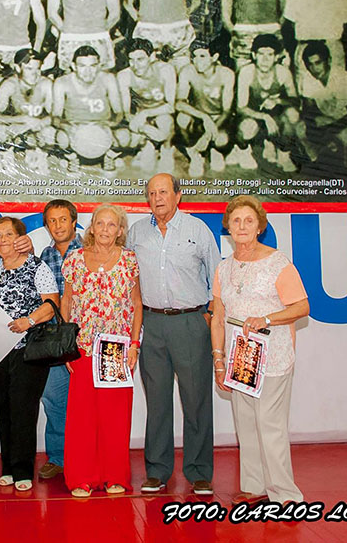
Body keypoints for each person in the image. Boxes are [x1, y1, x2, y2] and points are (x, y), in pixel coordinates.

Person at [211, 195, 309, 504]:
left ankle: (286, 496)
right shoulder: (224, 269)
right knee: (247, 423)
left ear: (260, 227)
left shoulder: (277, 262)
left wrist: (266, 318)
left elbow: (302, 306)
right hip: (241, 356)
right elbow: (218, 317)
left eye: (248, 221)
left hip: (273, 355)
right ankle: (254, 487)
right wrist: (218, 359)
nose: (241, 226)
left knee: (271, 426)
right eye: (236, 221)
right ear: (228, 226)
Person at [128, 173, 219, 496]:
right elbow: (124, 273)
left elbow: (216, 277)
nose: (158, 198)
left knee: (196, 400)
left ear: (178, 195)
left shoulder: (198, 231)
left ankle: (199, 472)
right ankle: (157, 470)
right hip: (151, 324)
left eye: (164, 191)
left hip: (190, 323)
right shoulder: (136, 232)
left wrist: (209, 317)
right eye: (152, 193)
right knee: (157, 401)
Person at [61, 204, 142, 497]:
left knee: (115, 416)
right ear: (91, 227)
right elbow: (66, 302)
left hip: (116, 349)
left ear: (120, 231)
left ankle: (114, 476)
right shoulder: (74, 260)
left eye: (112, 225)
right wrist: (68, 348)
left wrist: (134, 344)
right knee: (82, 417)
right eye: (100, 224)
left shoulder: (129, 261)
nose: (105, 229)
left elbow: (136, 305)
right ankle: (82, 477)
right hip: (82, 348)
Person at [0, 216, 61, 492]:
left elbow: (52, 305)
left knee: (23, 411)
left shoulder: (37, 267)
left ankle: (23, 469)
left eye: (8, 234)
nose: (3, 240)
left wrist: (27, 321)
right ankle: (7, 466)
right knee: (3, 409)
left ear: (20, 238)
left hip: (26, 348)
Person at [36, 199, 83, 481]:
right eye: (52, 221)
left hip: (87, 333)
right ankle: (58, 457)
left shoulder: (89, 250)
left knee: (89, 399)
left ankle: (89, 455)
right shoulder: (46, 255)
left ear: (74, 221)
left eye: (63, 219)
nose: (57, 226)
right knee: (53, 397)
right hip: (55, 336)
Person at [51, 45, 123, 172]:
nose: (88, 71)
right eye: (82, 66)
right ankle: (73, 159)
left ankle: (108, 156)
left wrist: (110, 124)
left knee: (124, 136)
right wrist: (68, 127)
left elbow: (119, 112)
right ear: (73, 66)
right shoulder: (62, 82)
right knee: (60, 139)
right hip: (75, 128)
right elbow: (56, 116)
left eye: (92, 66)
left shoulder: (108, 79)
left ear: (99, 65)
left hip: (101, 127)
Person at [295, 41, 347, 169]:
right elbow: (308, 109)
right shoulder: (308, 78)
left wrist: (329, 129)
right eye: (309, 64)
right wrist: (318, 121)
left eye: (318, 63)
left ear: (328, 60)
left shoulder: (344, 78)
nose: (314, 69)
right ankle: (317, 159)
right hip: (328, 121)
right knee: (300, 128)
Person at [234, 35, 300, 172]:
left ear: (277, 57)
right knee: (246, 128)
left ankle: (283, 153)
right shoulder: (246, 72)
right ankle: (243, 150)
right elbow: (240, 108)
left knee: (293, 115)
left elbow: (296, 100)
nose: (265, 59)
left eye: (270, 55)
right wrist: (264, 117)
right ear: (254, 55)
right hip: (253, 116)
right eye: (261, 54)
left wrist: (278, 100)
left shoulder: (283, 73)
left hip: (275, 116)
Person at [175, 42, 235, 175]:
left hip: (219, 118)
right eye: (194, 57)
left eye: (202, 56)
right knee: (182, 118)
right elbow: (179, 103)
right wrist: (204, 117)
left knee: (222, 139)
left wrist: (209, 134)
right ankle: (195, 154)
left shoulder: (226, 74)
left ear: (214, 57)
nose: (197, 61)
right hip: (199, 116)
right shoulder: (187, 70)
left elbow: (227, 111)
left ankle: (215, 151)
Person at [117, 38, 177, 172]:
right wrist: (138, 121)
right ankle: (147, 145)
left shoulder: (165, 70)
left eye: (140, 59)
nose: (135, 65)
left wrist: (146, 114)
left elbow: (171, 106)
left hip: (161, 112)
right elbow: (125, 111)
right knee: (131, 133)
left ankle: (166, 150)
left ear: (151, 57)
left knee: (165, 121)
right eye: (131, 60)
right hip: (140, 114)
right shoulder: (124, 75)